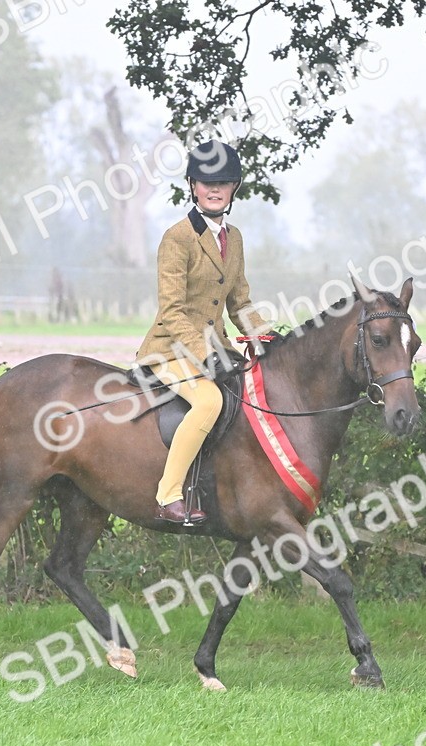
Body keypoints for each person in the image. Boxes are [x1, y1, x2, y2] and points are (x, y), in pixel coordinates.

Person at [135, 139, 272, 525]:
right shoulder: (177, 238)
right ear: (193, 186)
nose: (215, 189)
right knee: (209, 402)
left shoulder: (236, 238)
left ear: (234, 189)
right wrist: (207, 354)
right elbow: (171, 311)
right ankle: (167, 496)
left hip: (217, 349)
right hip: (170, 350)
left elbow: (240, 302)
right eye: (207, 182)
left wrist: (265, 337)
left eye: (224, 182)